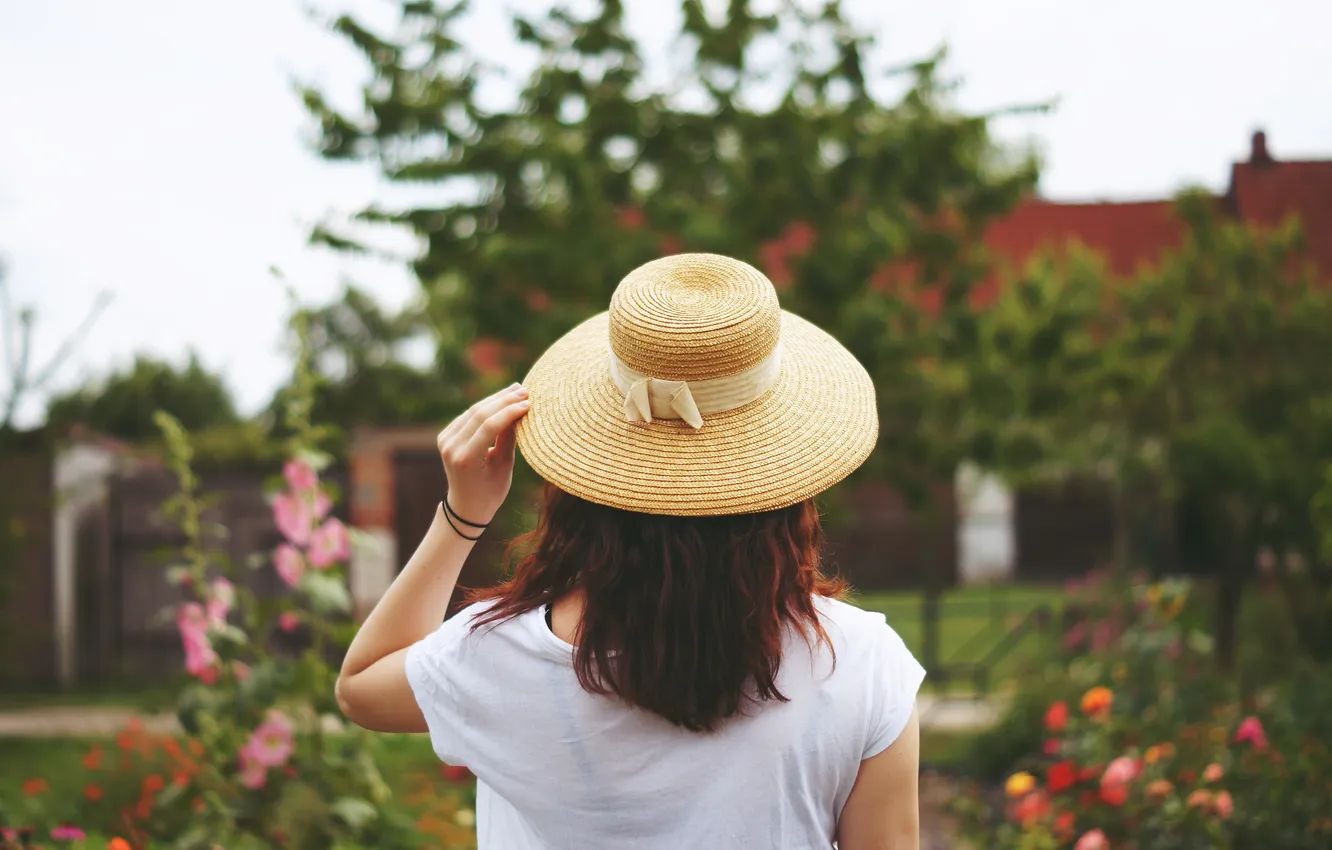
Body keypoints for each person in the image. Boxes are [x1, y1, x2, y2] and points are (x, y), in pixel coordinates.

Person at [337, 254, 926, 849]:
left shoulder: (494, 657)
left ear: (582, 485)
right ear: (787, 484)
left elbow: (361, 686)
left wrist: (462, 514)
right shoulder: (861, 663)